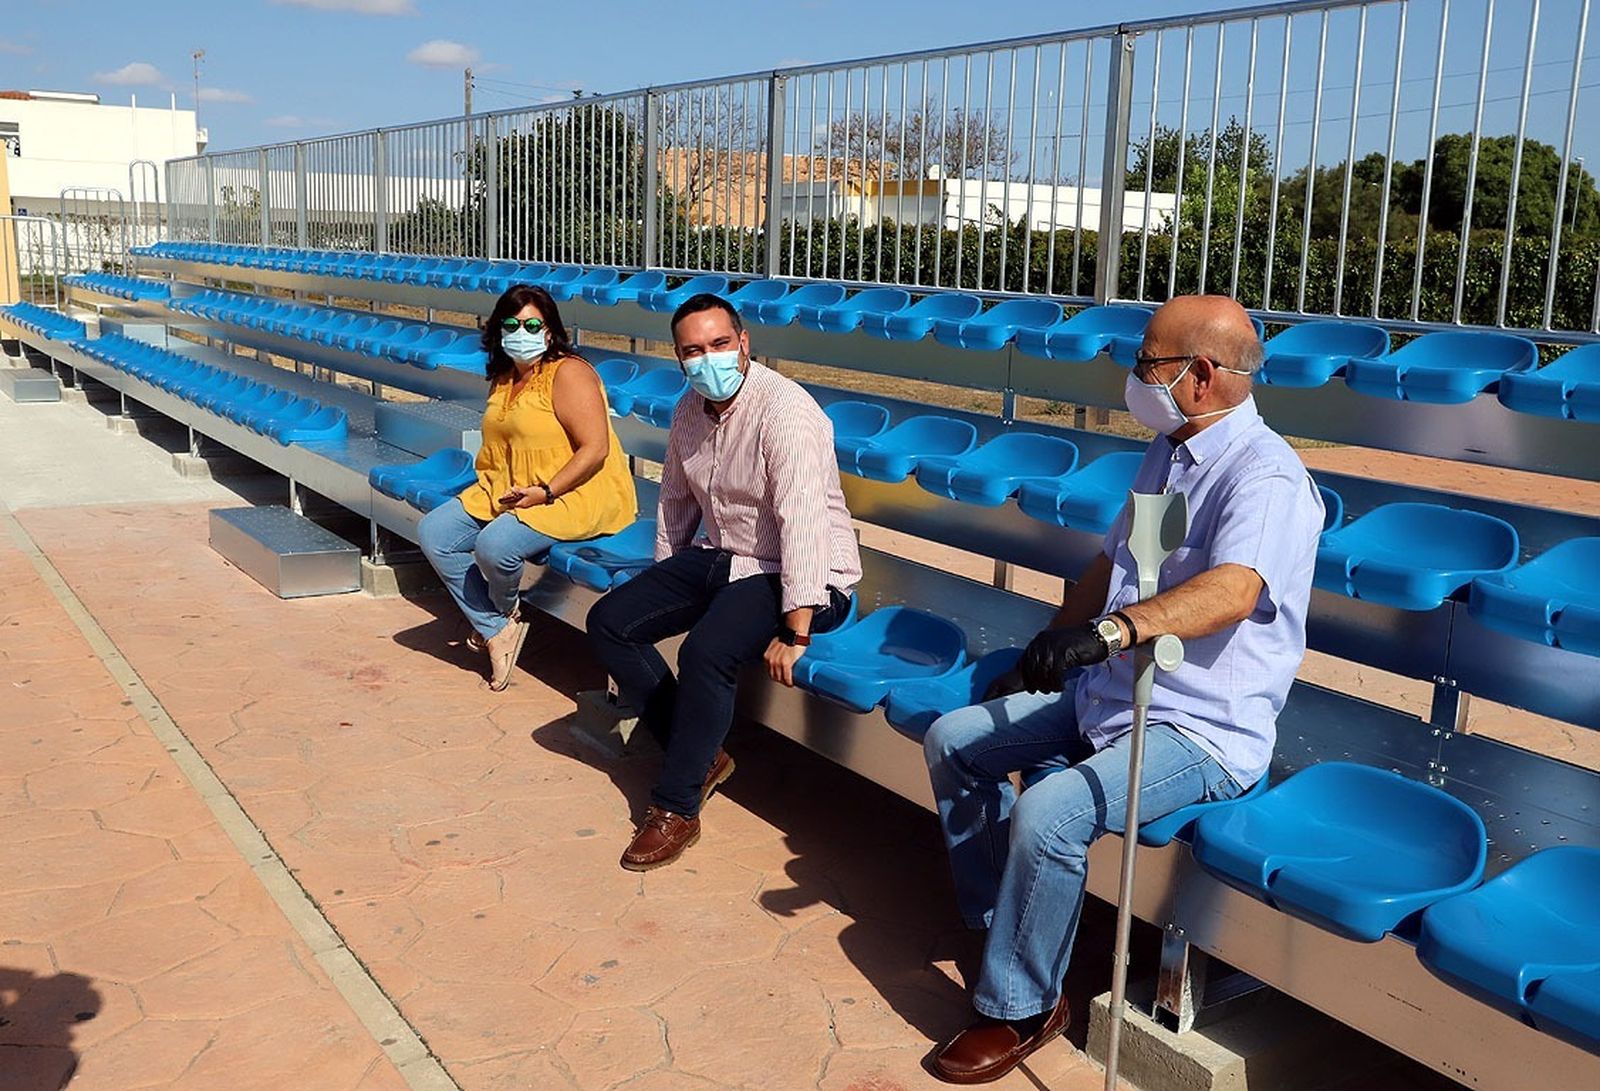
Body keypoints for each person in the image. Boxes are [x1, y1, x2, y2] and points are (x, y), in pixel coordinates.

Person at [921, 295, 1324, 1084]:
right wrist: (1053, 642)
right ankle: (1010, 930)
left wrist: (1107, 634)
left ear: (1201, 374)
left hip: (1200, 730)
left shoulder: (1266, 474)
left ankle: (1022, 1004)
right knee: (955, 742)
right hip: (1111, 693)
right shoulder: (1171, 449)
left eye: (1148, 362)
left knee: (1047, 809)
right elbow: (1115, 563)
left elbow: (1234, 590)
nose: (1135, 375)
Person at [586, 293, 862, 872]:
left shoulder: (786, 412)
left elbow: (802, 520)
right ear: (679, 358)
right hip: (722, 556)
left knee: (706, 651)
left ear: (743, 343)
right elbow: (677, 499)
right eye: (692, 351)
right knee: (611, 622)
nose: (707, 359)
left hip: (801, 575)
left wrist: (798, 628)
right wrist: (666, 576)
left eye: (718, 344)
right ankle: (702, 753)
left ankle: (676, 806)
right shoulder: (691, 406)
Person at [419, 284, 637, 691]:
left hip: (571, 492)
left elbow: (595, 449)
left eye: (533, 323)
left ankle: (496, 618)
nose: (523, 331)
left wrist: (547, 491)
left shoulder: (569, 373)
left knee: (495, 546)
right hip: (506, 487)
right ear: (498, 330)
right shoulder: (504, 376)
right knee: (435, 533)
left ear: (550, 330)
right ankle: (498, 626)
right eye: (513, 324)